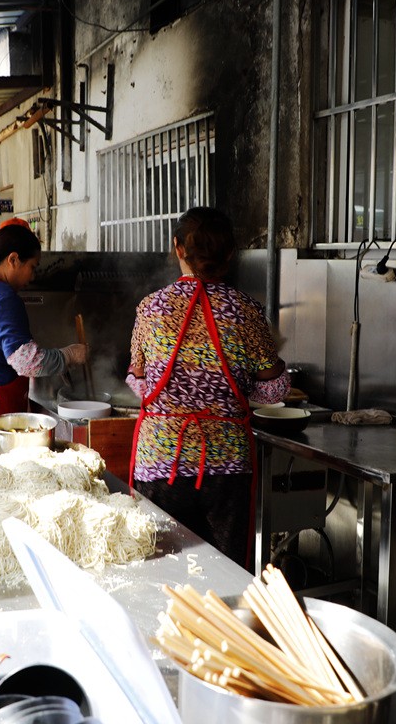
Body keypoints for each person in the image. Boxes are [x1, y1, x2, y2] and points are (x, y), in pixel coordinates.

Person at [126, 207, 288, 566]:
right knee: (224, 574)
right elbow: (275, 390)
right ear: (230, 253)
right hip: (226, 469)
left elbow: (139, 381)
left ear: (177, 248)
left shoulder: (150, 309)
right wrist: (237, 392)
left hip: (161, 463)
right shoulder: (247, 311)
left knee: (159, 572)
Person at [0, 219, 88, 425]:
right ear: (13, 259)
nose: (32, 276)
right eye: (32, 267)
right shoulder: (2, 296)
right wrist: (68, 355)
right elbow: (27, 362)